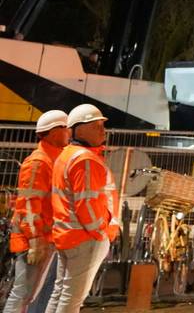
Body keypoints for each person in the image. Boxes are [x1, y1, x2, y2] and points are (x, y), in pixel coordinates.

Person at [48, 104, 119, 313]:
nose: (102, 130)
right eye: (96, 126)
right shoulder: (85, 159)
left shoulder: (67, 155)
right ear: (79, 129)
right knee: (72, 298)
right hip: (84, 237)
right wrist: (100, 233)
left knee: (60, 292)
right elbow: (85, 203)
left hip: (67, 233)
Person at [3, 110, 69, 313]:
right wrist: (34, 240)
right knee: (23, 292)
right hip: (35, 240)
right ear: (53, 132)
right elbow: (28, 204)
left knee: (32, 292)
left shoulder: (52, 159)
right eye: (65, 128)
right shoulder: (39, 162)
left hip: (44, 237)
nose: (68, 133)